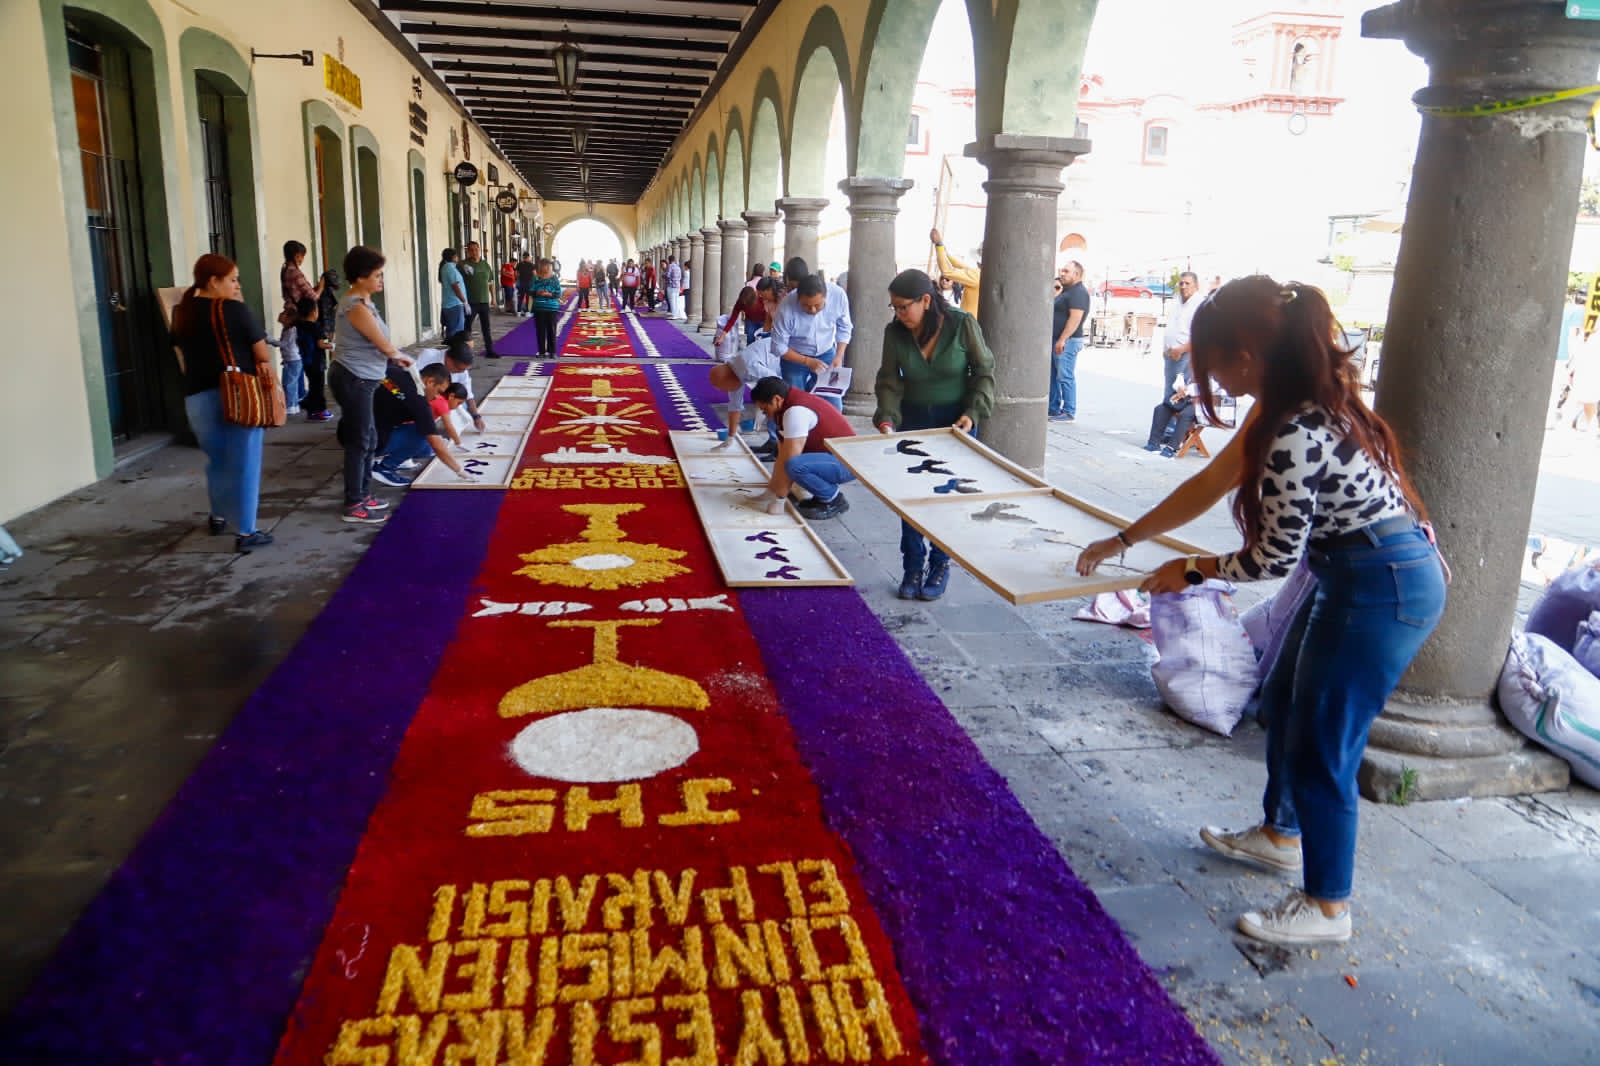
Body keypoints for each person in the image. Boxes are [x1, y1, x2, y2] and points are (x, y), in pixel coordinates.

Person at [1075, 276, 1447, 948]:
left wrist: (1191, 569)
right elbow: (1208, 482)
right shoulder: (1286, 405)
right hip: (1349, 571)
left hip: (1380, 584)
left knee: (1325, 744)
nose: (1213, 380)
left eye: (1213, 364)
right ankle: (1281, 834)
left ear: (1245, 355)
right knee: (1282, 701)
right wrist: (1125, 539)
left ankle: (1327, 906)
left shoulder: (1293, 429)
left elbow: (1271, 559)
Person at [874, 269, 997, 600]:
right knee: (910, 497)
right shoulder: (895, 333)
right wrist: (887, 418)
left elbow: (983, 370)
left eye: (904, 307)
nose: (899, 314)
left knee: (945, 496)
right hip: (913, 419)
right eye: (894, 307)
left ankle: (940, 564)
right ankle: (912, 566)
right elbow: (889, 380)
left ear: (925, 301)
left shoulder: (961, 324)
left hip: (955, 422)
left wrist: (972, 412)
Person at [172, 253, 276, 552]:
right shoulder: (234, 310)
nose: (237, 285)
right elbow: (262, 354)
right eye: (232, 280)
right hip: (239, 396)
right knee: (245, 462)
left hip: (196, 395)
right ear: (213, 281)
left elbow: (181, 353)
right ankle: (246, 531)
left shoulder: (182, 312)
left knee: (217, 460)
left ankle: (218, 516)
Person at [330, 245, 413, 525]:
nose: (381, 279)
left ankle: (364, 494)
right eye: (377, 275)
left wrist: (395, 356)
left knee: (370, 437)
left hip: (364, 377)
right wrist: (400, 357)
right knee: (360, 440)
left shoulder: (365, 303)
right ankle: (354, 503)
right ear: (361, 276)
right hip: (354, 377)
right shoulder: (355, 306)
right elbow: (382, 344)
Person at [749, 376, 857, 520]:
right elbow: (782, 454)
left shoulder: (795, 412)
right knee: (792, 464)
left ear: (776, 399)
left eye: (765, 409)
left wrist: (779, 500)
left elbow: (790, 457)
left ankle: (833, 498)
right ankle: (822, 497)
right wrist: (771, 490)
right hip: (833, 457)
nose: (766, 414)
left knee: (796, 466)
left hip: (849, 463)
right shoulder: (784, 406)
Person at [370, 363, 479, 486]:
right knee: (423, 436)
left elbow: (394, 390)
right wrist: (460, 471)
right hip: (369, 441)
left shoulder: (394, 372)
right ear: (430, 382)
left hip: (355, 426)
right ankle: (384, 467)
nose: (437, 397)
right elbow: (436, 444)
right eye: (439, 391)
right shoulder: (420, 403)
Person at [709, 279, 785, 442]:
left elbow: (778, 383)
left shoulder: (748, 367)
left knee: (777, 402)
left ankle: (777, 440)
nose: (728, 391)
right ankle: (775, 439)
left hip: (782, 359)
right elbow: (734, 405)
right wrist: (730, 437)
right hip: (769, 355)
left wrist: (765, 407)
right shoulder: (733, 373)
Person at [770, 272, 854, 404]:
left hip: (827, 352)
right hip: (794, 357)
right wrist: (807, 361)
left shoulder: (838, 296)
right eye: (806, 306)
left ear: (826, 296)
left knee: (833, 403)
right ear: (798, 298)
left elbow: (844, 327)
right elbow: (778, 347)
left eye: (818, 305)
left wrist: (839, 356)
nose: (813, 310)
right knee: (795, 403)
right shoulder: (786, 307)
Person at [1050, 261, 1091, 422]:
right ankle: (1053, 408)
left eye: (1066, 271)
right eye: (1062, 270)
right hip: (1059, 339)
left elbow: (1075, 319)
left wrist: (1062, 340)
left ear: (1077, 274)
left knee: (1065, 375)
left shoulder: (1078, 293)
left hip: (1068, 341)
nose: (1062, 273)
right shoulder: (1067, 291)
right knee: (1054, 375)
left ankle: (1068, 411)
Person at [1163, 271, 1202, 396]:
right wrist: (1166, 349)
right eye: (1181, 283)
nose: (1183, 286)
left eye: (1187, 283)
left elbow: (1202, 337)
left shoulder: (1200, 305)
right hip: (1171, 355)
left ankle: (1178, 409)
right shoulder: (1177, 301)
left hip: (1186, 355)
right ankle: (1168, 408)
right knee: (1170, 393)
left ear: (1196, 286)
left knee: (1181, 394)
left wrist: (1181, 350)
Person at [1145, 370, 1197, 457]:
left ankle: (1171, 447)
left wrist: (1187, 391)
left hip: (1198, 403)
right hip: (1182, 398)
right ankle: (1153, 443)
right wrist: (1180, 387)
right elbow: (1179, 378)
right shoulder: (1189, 368)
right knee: (1161, 409)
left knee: (1185, 415)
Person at [930, 228, 980, 315]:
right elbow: (959, 265)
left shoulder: (977, 276)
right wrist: (943, 250)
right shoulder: (979, 275)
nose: (944, 281)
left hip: (968, 322)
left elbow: (947, 272)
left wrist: (938, 244)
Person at [461, 241, 497, 358]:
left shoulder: (485, 265)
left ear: (479, 250)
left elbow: (490, 283)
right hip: (471, 301)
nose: (474, 252)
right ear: (468, 251)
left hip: (484, 300)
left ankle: (490, 350)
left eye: (476, 249)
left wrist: (493, 298)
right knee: (467, 327)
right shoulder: (464, 265)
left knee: (486, 327)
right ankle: (465, 352)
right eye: (471, 250)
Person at [529, 258, 563, 357]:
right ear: (541, 266)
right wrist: (537, 292)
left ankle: (552, 352)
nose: (548, 267)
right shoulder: (536, 278)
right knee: (540, 330)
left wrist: (550, 294)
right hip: (539, 308)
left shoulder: (554, 278)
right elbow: (531, 291)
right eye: (546, 265)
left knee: (551, 330)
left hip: (552, 308)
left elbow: (559, 293)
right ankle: (541, 352)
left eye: (550, 266)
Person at [438, 249, 467, 337]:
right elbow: (456, 287)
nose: (458, 258)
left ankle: (451, 345)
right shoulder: (450, 268)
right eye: (456, 256)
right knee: (456, 332)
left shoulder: (446, 267)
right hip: (455, 304)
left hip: (450, 304)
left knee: (452, 331)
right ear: (453, 257)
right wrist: (464, 301)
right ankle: (454, 346)